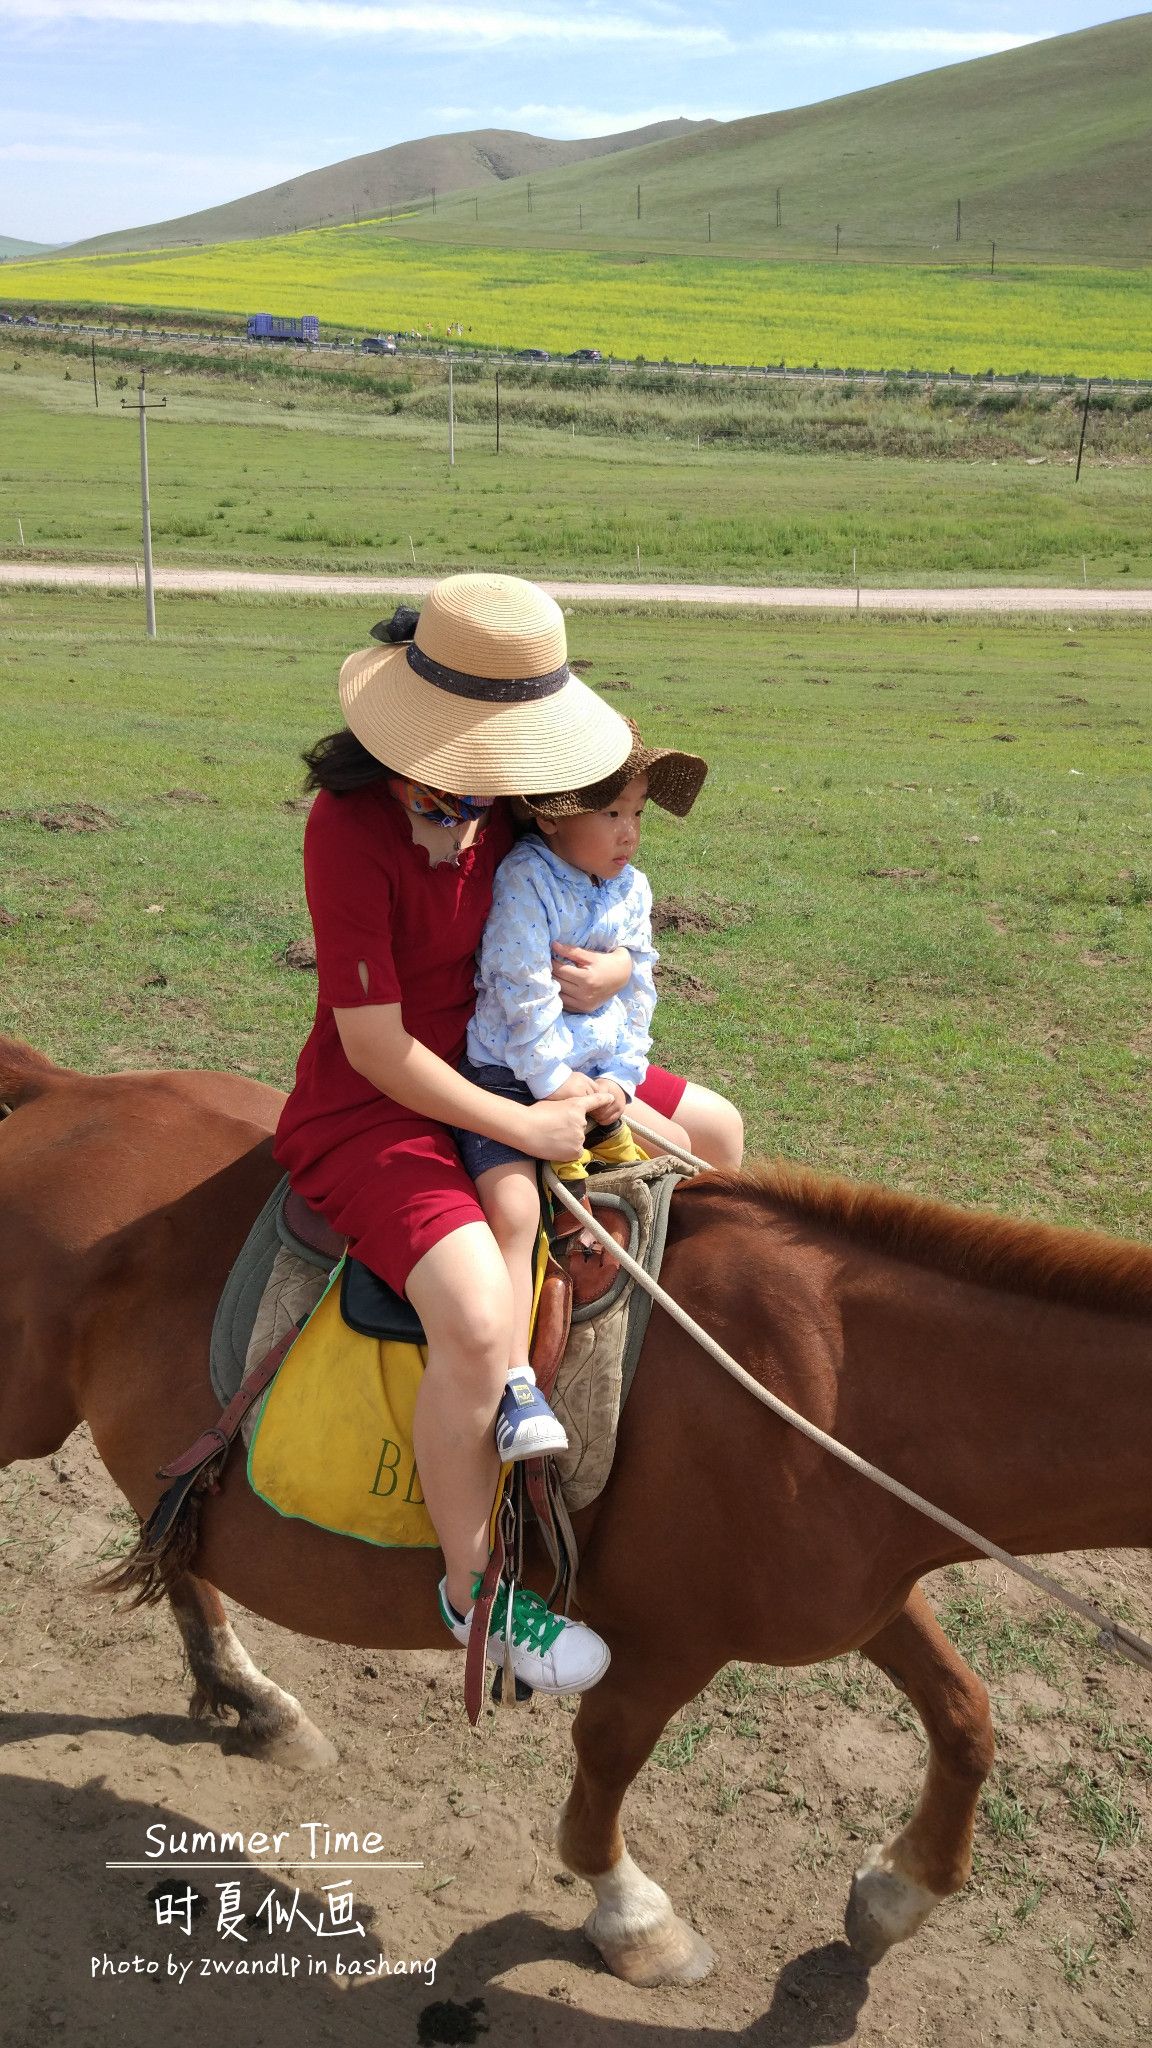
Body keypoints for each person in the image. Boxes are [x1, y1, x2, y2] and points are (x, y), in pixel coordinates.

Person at [275, 572, 743, 1699]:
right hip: (385, 1103)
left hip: (528, 1054)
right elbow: (378, 1046)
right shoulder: (351, 829)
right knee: (479, 1316)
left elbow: (610, 884)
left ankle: (659, 1416)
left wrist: (618, 970)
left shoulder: (512, 805)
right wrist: (526, 1120)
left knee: (720, 1132)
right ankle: (474, 1586)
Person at [451, 723, 707, 1464]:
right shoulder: (525, 881)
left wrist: (621, 1080)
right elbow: (520, 991)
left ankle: (656, 1339)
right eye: (612, 814)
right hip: (511, 1076)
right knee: (513, 1210)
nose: (629, 833)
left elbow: (642, 987)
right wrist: (556, 1085)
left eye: (637, 814)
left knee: (680, 1157)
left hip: (596, 1080)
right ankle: (513, 1383)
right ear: (553, 816)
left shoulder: (632, 888)